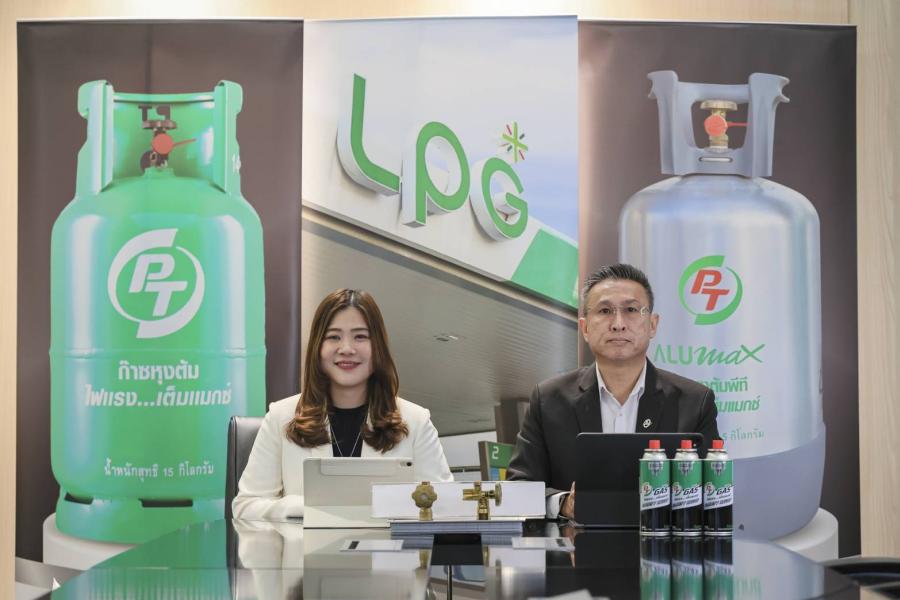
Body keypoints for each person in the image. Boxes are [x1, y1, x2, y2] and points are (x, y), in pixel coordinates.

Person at [507, 263, 719, 520]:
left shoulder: (694, 402)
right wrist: (564, 504)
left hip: (662, 544)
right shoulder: (548, 399)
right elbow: (519, 487)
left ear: (652, 324)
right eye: (605, 311)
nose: (618, 324)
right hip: (576, 544)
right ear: (585, 327)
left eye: (631, 310)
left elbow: (712, 492)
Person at [233, 289, 452, 521]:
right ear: (318, 346)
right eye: (334, 337)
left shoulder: (416, 421)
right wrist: (302, 507)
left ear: (378, 346)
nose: (346, 348)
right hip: (302, 545)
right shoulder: (281, 417)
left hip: (389, 545)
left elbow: (447, 506)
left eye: (360, 337)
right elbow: (246, 507)